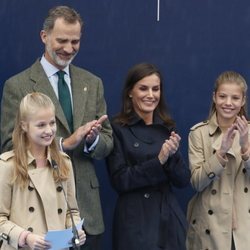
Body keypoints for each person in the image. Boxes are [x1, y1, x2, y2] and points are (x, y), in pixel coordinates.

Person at [0, 6, 113, 250]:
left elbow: (107, 142)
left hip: (85, 218)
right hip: (37, 223)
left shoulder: (92, 83)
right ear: (44, 36)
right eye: (62, 40)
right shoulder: (17, 85)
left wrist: (92, 140)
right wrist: (63, 144)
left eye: (75, 41)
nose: (69, 48)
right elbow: (9, 145)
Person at [106, 63, 191, 250]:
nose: (151, 95)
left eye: (156, 89)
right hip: (135, 221)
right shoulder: (117, 128)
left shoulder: (168, 127)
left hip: (167, 218)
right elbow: (120, 180)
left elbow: (183, 180)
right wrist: (158, 160)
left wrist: (172, 157)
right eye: (143, 88)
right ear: (130, 92)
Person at [0, 92, 86, 250]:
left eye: (52, 123)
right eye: (41, 125)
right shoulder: (7, 165)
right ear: (24, 126)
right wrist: (25, 237)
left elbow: (71, 211)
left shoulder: (63, 162)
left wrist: (76, 230)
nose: (49, 130)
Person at [186, 71, 250, 250]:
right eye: (222, 96)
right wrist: (220, 152)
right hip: (209, 226)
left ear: (243, 101)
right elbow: (196, 183)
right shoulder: (198, 133)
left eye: (235, 98)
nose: (228, 103)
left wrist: (245, 147)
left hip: (244, 227)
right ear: (214, 97)